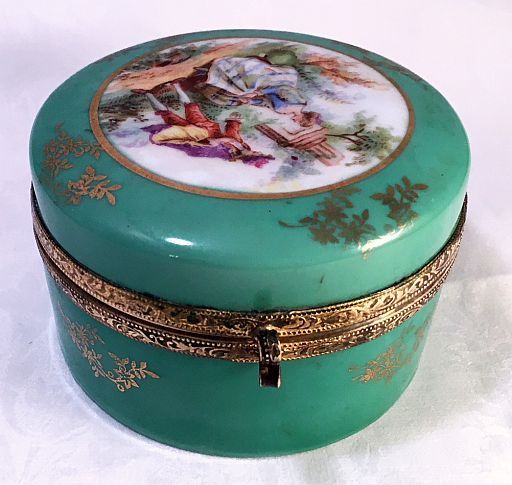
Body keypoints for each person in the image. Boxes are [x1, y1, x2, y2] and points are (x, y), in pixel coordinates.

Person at [133, 83, 273, 166]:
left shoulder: (225, 154)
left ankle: (148, 94)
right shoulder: (244, 146)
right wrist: (234, 122)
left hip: (192, 135)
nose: (255, 151)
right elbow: (233, 133)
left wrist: (222, 140)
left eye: (255, 153)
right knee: (192, 107)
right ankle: (176, 85)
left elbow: (207, 145)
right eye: (258, 152)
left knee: (167, 115)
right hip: (206, 127)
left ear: (248, 157)